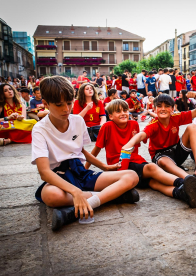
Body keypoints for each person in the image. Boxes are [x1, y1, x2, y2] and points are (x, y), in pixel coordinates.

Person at [31, 76, 139, 231]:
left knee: (132, 176)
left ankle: (78, 209)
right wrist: (75, 191)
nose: (66, 109)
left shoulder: (77, 121)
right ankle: (115, 195)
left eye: (69, 103)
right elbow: (44, 172)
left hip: (80, 171)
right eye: (59, 105)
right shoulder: (40, 129)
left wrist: (104, 166)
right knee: (50, 196)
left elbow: (80, 150)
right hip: (59, 175)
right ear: (46, 104)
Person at [85, 99, 196, 208]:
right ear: (110, 116)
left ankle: (183, 195)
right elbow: (96, 150)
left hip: (136, 161)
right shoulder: (107, 127)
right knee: (151, 167)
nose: (123, 113)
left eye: (125, 110)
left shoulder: (134, 124)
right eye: (118, 111)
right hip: (119, 164)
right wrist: (84, 170)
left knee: (155, 183)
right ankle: (187, 183)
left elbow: (137, 144)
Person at [122, 93, 196, 182]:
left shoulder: (176, 117)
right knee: (163, 161)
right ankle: (188, 179)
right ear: (154, 109)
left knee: (192, 127)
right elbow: (142, 134)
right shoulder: (153, 124)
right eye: (159, 106)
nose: (163, 109)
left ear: (172, 109)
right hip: (161, 155)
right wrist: (130, 144)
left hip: (177, 152)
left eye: (167, 106)